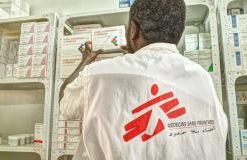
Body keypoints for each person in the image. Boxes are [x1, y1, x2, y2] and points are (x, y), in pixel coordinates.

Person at [59, 0, 228, 159]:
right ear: (179, 33)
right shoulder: (202, 77)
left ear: (133, 30)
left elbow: (65, 105)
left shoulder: (98, 75)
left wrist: (85, 61)